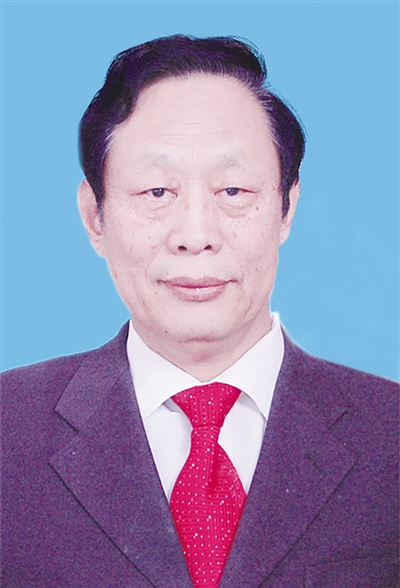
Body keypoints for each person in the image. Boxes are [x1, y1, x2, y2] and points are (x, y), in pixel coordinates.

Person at [2, 35, 398, 588]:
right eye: (156, 191)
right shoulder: (8, 429)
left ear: (286, 208)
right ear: (96, 217)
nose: (195, 234)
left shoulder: (391, 435)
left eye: (232, 190)